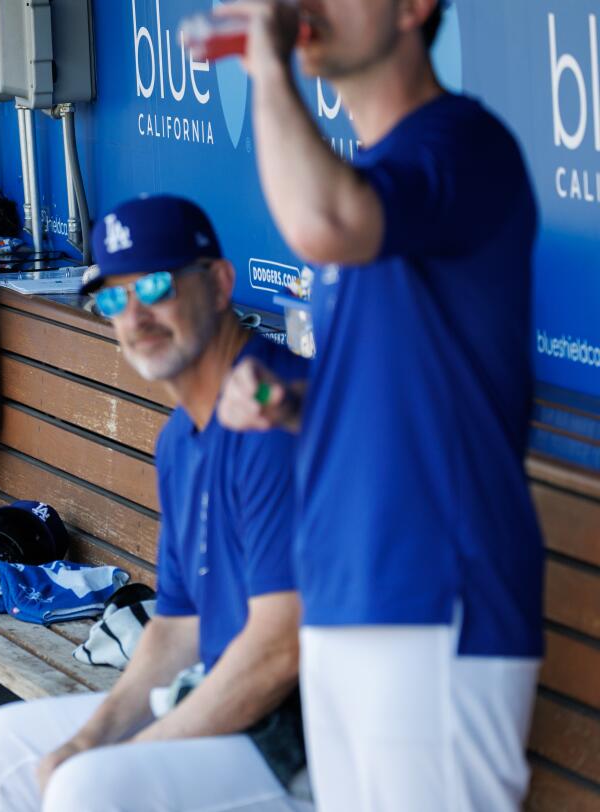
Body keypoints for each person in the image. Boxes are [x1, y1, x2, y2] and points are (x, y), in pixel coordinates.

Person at [215, 2, 543, 809]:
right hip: (349, 589)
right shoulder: (373, 172)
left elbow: (324, 222)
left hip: (435, 590)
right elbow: (394, 383)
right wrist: (290, 399)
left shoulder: (462, 142)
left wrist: (264, 64)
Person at [0, 195, 309, 812]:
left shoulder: (269, 410)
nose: (135, 315)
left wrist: (128, 751)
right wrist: (90, 739)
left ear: (221, 284)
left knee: (93, 786)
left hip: (306, 733)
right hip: (227, 701)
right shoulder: (181, 438)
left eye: (156, 285)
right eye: (115, 298)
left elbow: (282, 651)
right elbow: (178, 626)